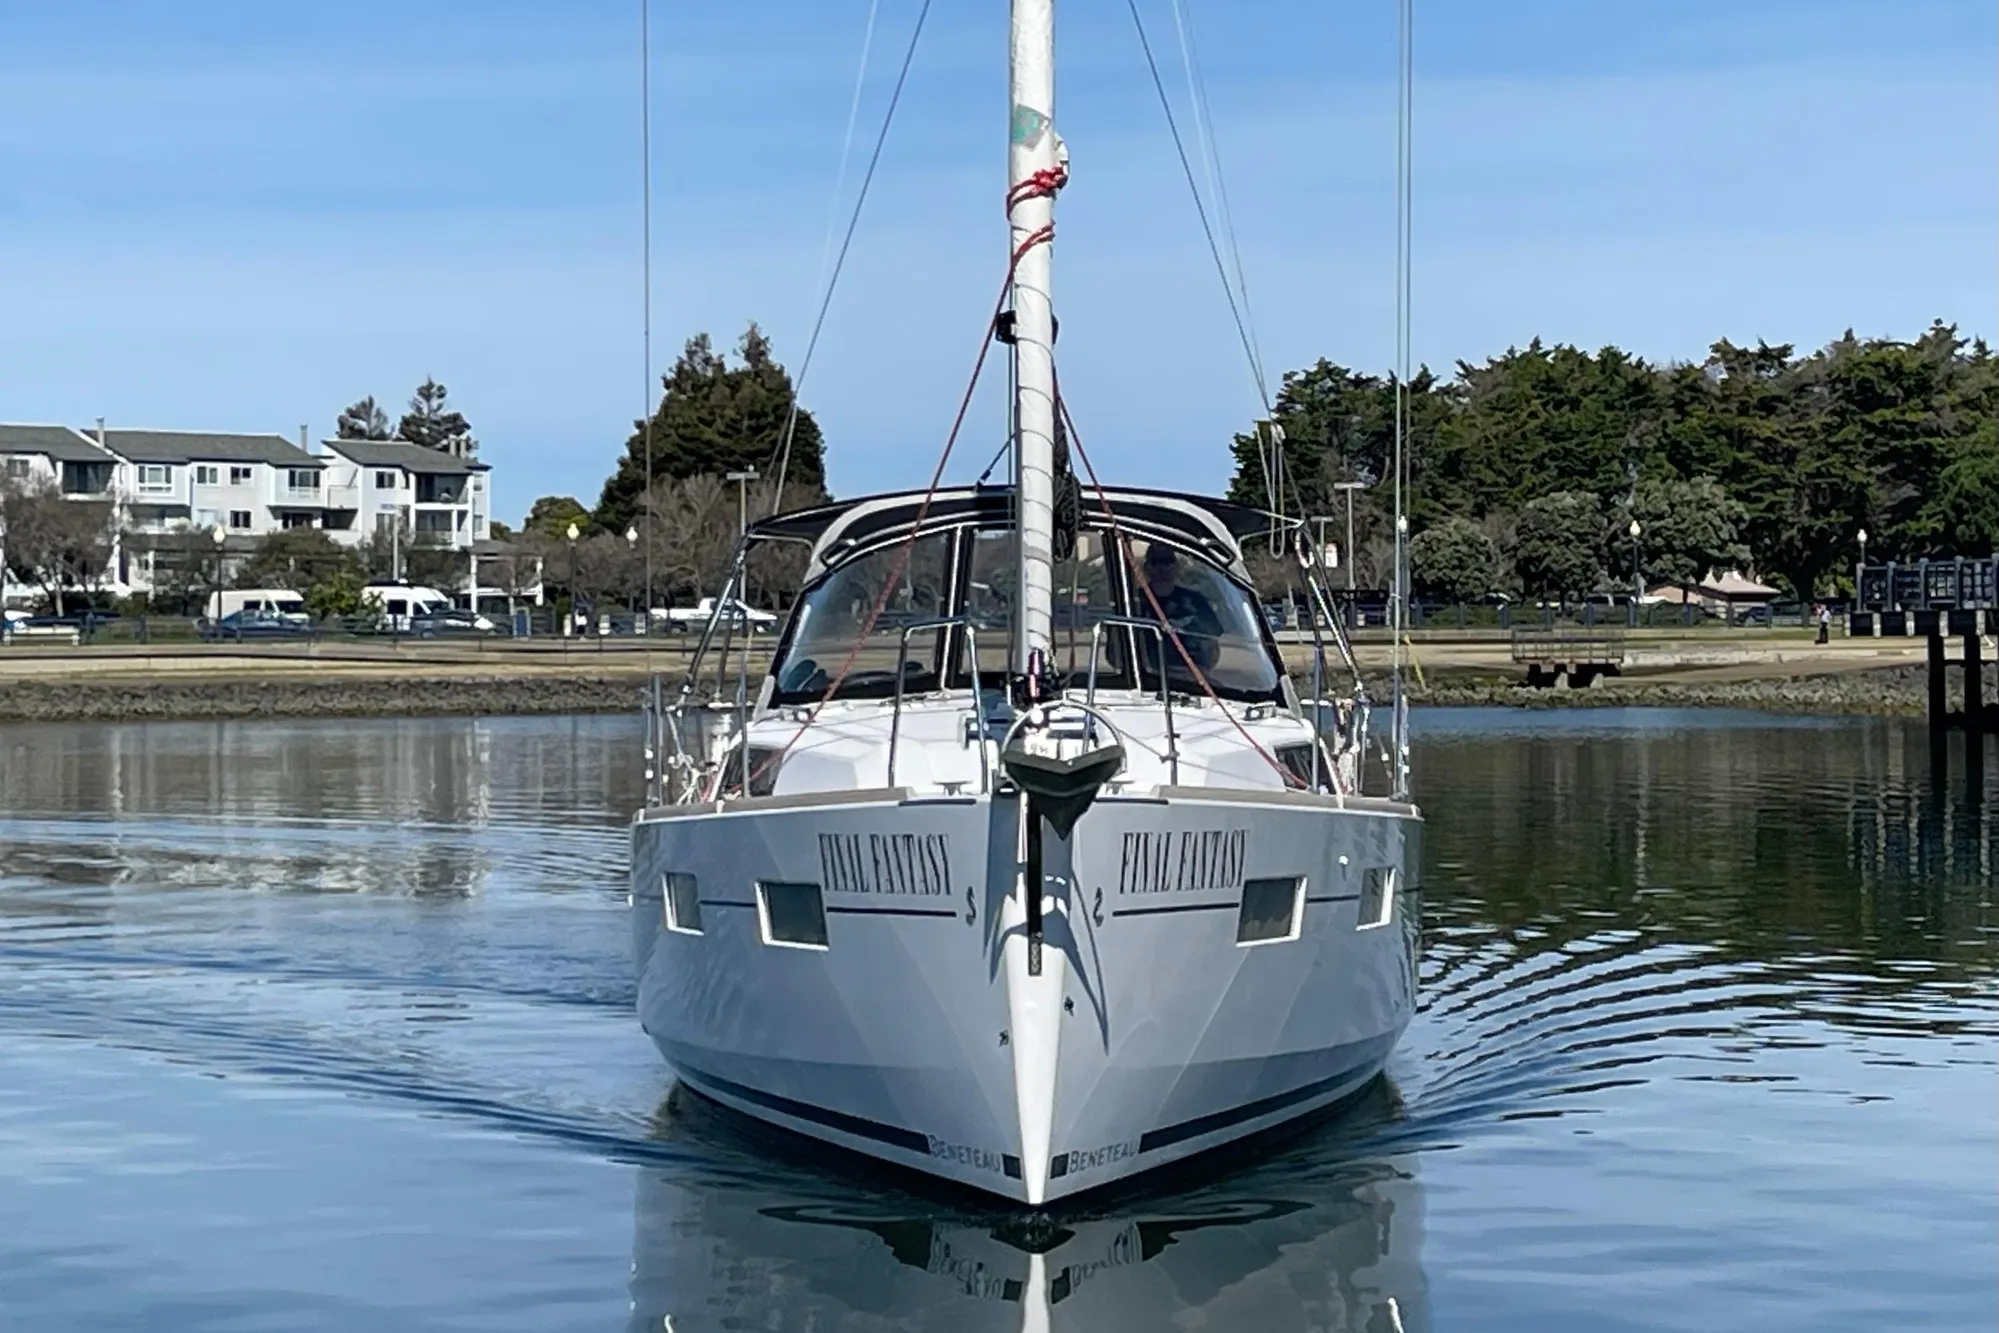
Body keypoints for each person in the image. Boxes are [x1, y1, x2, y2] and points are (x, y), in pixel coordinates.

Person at [1137, 543, 1223, 672]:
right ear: (1146, 567)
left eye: (1168, 561)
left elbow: (1214, 633)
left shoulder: (1195, 600)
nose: (1162, 567)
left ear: (1176, 566)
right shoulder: (1134, 600)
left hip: (1191, 671)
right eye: (1155, 562)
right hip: (1147, 672)